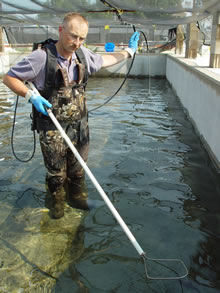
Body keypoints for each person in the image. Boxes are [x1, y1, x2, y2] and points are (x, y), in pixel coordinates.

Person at [3, 12, 140, 219]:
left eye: (82, 38)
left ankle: (77, 199)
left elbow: (105, 59)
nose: (77, 42)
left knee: (78, 170)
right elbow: (10, 77)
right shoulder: (42, 57)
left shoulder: (83, 56)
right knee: (56, 174)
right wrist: (30, 96)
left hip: (79, 127)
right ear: (61, 30)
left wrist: (129, 51)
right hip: (51, 128)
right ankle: (56, 204)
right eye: (73, 36)